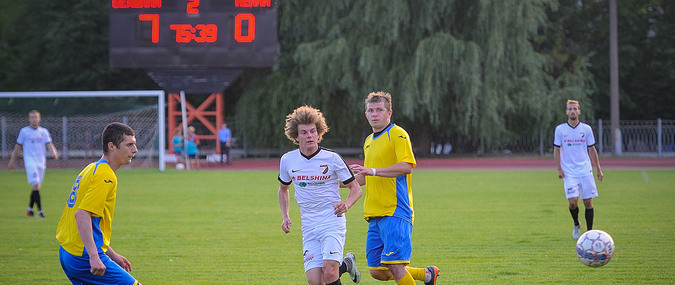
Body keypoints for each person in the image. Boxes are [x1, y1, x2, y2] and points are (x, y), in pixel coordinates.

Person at [349, 91, 440, 285]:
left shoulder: (397, 134)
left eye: (379, 110)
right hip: (374, 212)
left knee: (396, 266)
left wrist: (372, 171)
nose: (375, 114)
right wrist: (341, 181)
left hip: (395, 210)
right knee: (377, 271)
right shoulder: (368, 141)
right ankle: (427, 275)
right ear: (366, 114)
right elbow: (366, 176)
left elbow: (406, 166)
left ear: (389, 112)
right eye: (371, 110)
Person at [277, 105, 363, 285]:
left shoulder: (332, 158)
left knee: (330, 272)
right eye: (304, 132)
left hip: (331, 219)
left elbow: (356, 188)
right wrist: (285, 216)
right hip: (308, 224)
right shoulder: (287, 160)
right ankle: (346, 264)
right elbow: (283, 189)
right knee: (316, 281)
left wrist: (346, 204)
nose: (309, 136)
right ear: (296, 136)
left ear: (318, 133)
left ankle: (342, 266)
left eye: (312, 131)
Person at [55, 122, 142, 285]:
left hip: (68, 252)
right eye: (129, 145)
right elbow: (81, 215)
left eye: (134, 145)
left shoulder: (92, 168)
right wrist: (94, 257)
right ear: (112, 146)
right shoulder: (105, 175)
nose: (134, 150)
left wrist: (112, 255)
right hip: (83, 256)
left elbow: (92, 224)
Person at [553, 99, 604, 239]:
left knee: (588, 202)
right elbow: (556, 150)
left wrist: (598, 169)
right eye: (570, 109)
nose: (572, 111)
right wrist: (559, 169)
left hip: (585, 171)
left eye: (575, 108)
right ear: (566, 112)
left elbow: (592, 149)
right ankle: (576, 223)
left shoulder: (586, 129)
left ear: (579, 111)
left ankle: (589, 233)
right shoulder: (560, 129)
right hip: (569, 172)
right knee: (573, 202)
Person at [8, 110, 59, 218]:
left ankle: (29, 210)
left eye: (36, 117)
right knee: (36, 184)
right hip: (30, 162)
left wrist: (54, 152)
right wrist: (12, 161)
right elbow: (18, 147)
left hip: (41, 162)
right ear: (29, 119)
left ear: (39, 119)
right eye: (32, 117)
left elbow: (49, 144)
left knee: (37, 186)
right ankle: (40, 211)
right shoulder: (24, 131)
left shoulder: (43, 132)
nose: (34, 119)